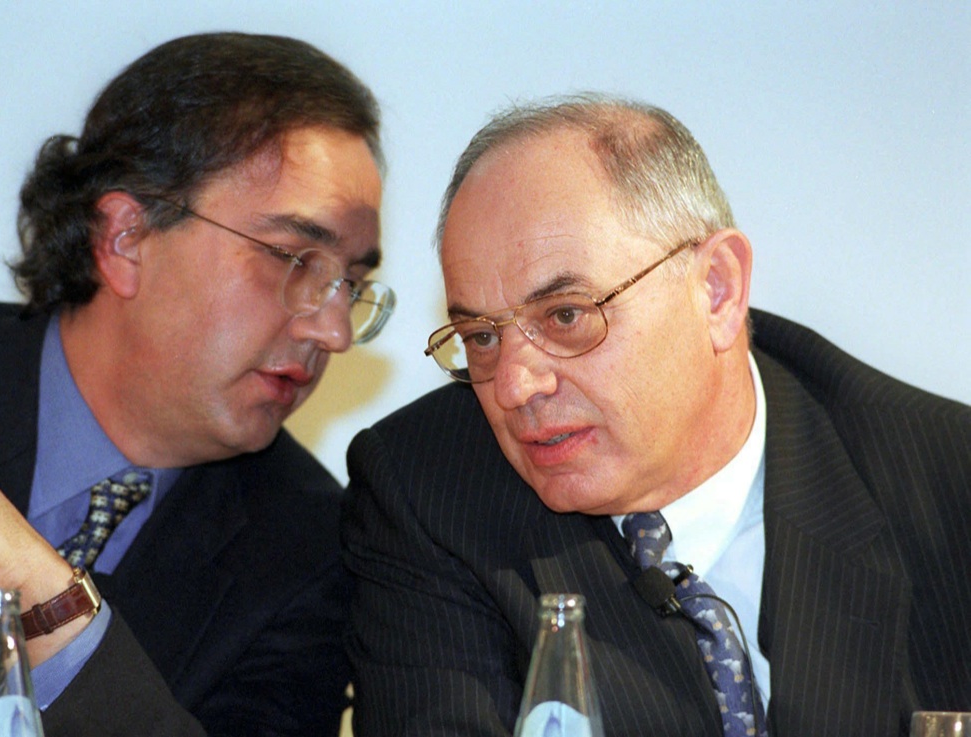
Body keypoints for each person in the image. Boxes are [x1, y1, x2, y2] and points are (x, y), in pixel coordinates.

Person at [342, 94, 971, 736]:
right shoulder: (428, 491)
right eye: (481, 336)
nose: (514, 386)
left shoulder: (948, 480)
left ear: (717, 289)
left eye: (565, 315)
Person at [0, 32, 394, 736]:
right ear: (125, 238)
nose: (334, 331)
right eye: (295, 259)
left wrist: (49, 599)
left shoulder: (308, 549)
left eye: (350, 283)